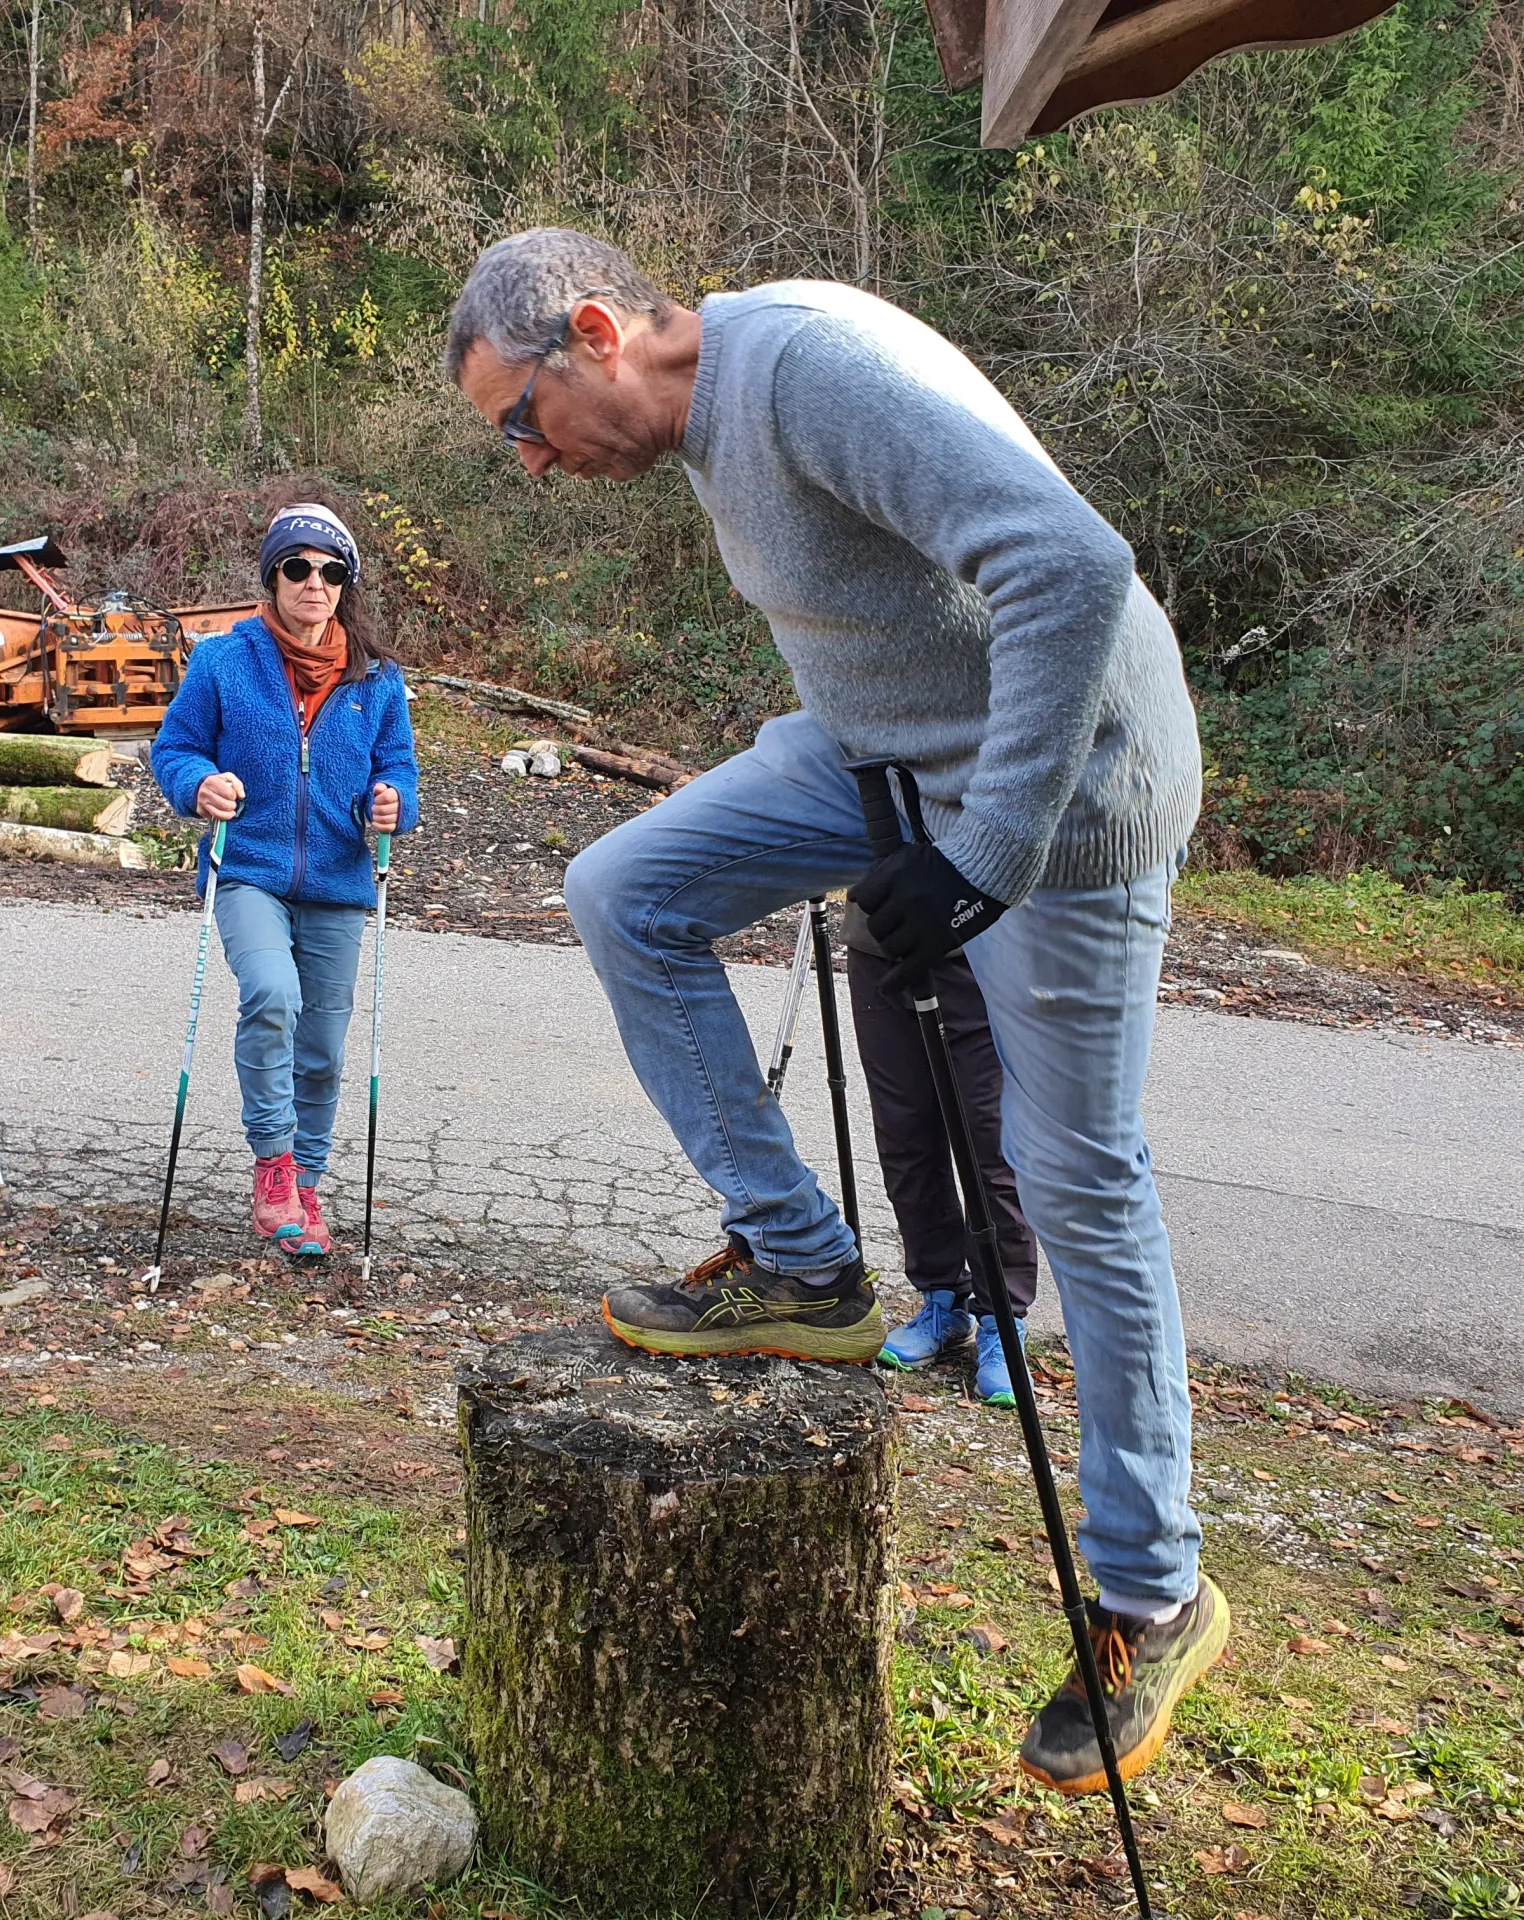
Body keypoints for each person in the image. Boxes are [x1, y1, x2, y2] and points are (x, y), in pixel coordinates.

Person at [445, 229, 1225, 1798]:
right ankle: (802, 1264)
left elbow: (1070, 566)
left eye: (521, 421)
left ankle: (1157, 1592)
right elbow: (878, 610)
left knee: (1075, 1177)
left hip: (1069, 786)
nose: (526, 461)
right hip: (885, 759)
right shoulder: (706, 424)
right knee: (626, 891)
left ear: (594, 332)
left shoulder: (805, 370)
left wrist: (985, 854)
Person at [149, 503, 417, 1258]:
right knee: (272, 996)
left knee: (323, 1046)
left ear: (345, 585)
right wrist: (198, 784)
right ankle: (273, 1166)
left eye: (331, 571)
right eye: (297, 567)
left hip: (339, 879)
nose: (313, 583)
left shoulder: (376, 678)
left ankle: (307, 1181)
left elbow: (397, 768)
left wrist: (392, 803)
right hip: (249, 870)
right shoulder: (222, 661)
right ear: (273, 576)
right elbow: (175, 748)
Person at [844, 901, 1040, 1406]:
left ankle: (1002, 1320)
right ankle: (942, 1300)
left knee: (989, 1145)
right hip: (878, 941)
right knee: (905, 1137)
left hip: (979, 947)